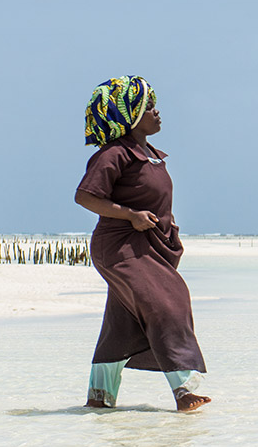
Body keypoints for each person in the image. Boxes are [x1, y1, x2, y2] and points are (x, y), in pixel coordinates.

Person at [74, 75, 211, 412]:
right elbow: (85, 196)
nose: (157, 112)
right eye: (148, 107)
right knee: (168, 302)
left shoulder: (148, 153)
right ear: (128, 114)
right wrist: (130, 215)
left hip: (147, 246)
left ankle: (100, 397)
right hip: (121, 247)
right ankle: (185, 389)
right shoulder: (114, 154)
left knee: (120, 324)